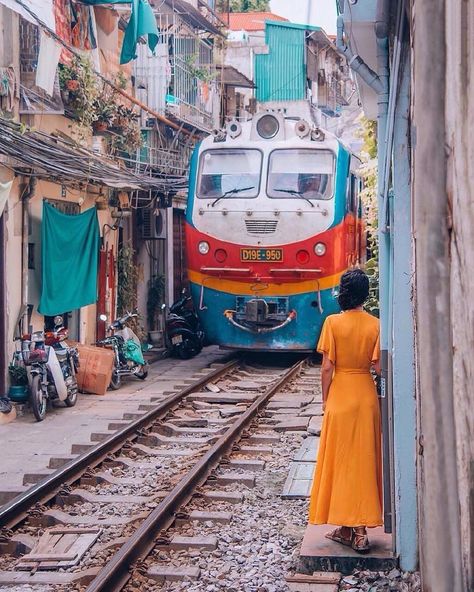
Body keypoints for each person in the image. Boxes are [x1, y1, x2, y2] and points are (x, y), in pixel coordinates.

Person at [308, 268, 382, 553]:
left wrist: (326, 400)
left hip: (340, 395)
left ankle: (348, 527)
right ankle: (358, 530)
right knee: (363, 460)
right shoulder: (375, 325)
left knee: (341, 462)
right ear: (365, 294)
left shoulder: (332, 323)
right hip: (365, 395)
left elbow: (327, 367)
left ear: (343, 293)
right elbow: (378, 368)